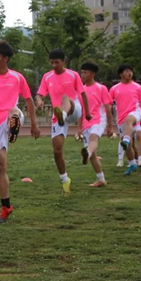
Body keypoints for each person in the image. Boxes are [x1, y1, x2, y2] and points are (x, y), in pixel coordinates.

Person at [0, 40, 40, 222]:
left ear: (5, 58)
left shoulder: (17, 77)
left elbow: (28, 100)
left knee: (13, 112)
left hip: (8, 119)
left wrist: (34, 124)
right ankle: (6, 206)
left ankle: (14, 127)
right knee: (1, 165)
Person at [35, 49, 92, 195]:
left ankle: (63, 114)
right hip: (58, 116)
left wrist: (87, 113)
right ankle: (65, 180)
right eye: (52, 62)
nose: (54, 65)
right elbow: (39, 94)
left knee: (65, 98)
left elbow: (83, 95)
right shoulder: (47, 76)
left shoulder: (73, 75)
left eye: (57, 62)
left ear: (63, 62)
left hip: (74, 109)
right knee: (57, 150)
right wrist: (39, 101)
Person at [109, 64, 141, 176]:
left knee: (132, 127)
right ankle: (132, 164)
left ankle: (140, 157)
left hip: (135, 113)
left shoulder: (137, 87)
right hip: (121, 119)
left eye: (131, 71)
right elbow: (108, 103)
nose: (130, 73)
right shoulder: (114, 88)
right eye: (127, 71)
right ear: (121, 74)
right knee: (128, 147)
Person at [77, 62, 113, 187]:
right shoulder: (81, 91)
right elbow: (81, 110)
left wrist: (110, 126)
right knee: (93, 156)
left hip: (98, 120)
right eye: (82, 72)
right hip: (86, 124)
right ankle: (101, 179)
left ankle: (87, 152)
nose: (83, 75)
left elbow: (108, 107)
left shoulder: (101, 88)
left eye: (85, 72)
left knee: (93, 138)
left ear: (93, 74)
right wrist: (79, 128)